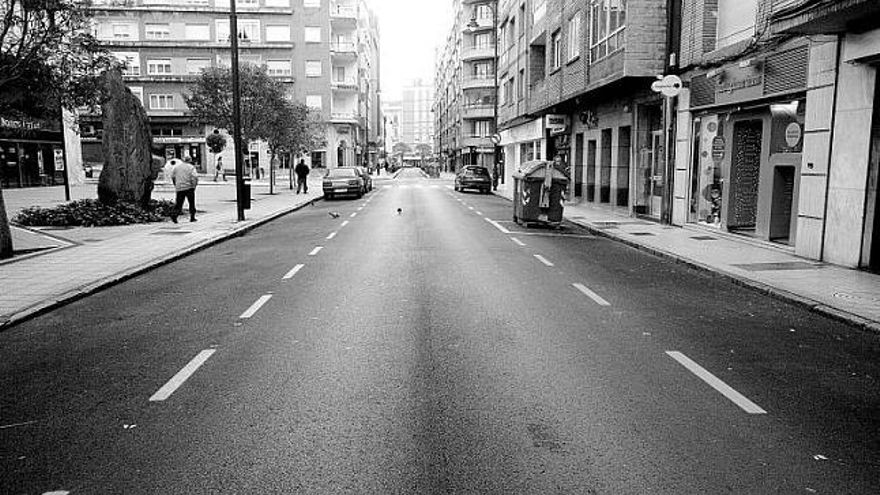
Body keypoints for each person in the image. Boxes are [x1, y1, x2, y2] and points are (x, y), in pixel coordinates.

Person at [170, 156, 199, 223]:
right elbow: (194, 177)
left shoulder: (177, 167)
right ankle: (192, 217)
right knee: (191, 203)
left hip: (179, 187)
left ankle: (174, 215)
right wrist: (194, 186)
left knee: (179, 203)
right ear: (190, 160)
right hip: (189, 187)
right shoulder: (191, 167)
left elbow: (173, 177)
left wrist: (176, 184)